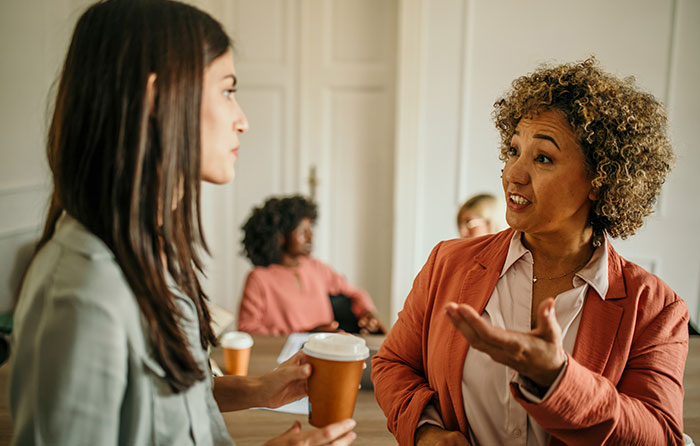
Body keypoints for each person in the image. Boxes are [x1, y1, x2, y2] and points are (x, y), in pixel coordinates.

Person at [9, 1, 357, 445]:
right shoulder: (83, 291)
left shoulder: (153, 254)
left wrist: (258, 389)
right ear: (158, 99)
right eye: (227, 91)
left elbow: (169, 400)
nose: (242, 120)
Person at [372, 58, 689, 445]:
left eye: (543, 158)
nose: (513, 173)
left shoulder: (655, 309)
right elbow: (393, 364)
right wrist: (426, 431)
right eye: (513, 150)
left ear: (599, 180)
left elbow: (661, 436)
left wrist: (558, 378)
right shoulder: (447, 263)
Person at [238, 195, 386, 335]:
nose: (310, 237)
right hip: (285, 357)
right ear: (280, 237)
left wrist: (368, 313)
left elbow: (356, 293)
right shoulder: (259, 279)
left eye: (310, 231)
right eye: (303, 232)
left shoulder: (316, 268)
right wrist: (304, 336)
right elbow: (247, 329)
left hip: (326, 351)